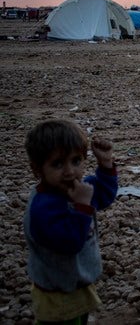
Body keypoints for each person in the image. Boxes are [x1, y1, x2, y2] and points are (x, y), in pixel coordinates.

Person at [23, 119, 118, 324]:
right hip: (58, 296)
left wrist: (106, 164)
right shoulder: (43, 208)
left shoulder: (74, 188)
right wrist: (82, 207)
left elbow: (103, 194)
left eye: (76, 161)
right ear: (37, 169)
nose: (70, 171)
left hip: (76, 285)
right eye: (58, 164)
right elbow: (70, 243)